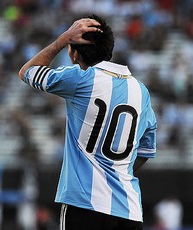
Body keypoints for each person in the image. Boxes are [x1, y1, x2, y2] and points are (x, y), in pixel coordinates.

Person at [18, 14, 157, 230]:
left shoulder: (80, 78)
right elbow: (146, 152)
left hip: (83, 205)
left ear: (74, 53)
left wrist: (62, 39)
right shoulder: (141, 91)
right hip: (128, 210)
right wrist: (115, 171)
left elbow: (27, 71)